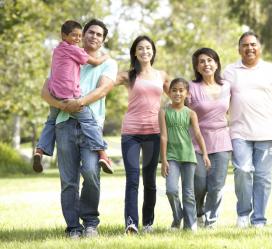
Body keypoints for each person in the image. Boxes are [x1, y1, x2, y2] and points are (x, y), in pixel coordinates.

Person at [41, 19, 117, 238]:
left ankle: (91, 222)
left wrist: (80, 102)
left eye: (99, 34)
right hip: (64, 123)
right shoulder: (65, 53)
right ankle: (73, 227)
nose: (94, 37)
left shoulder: (107, 62)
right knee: (68, 181)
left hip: (91, 123)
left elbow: (103, 89)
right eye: (90, 32)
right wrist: (61, 105)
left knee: (92, 172)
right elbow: (46, 91)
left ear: (103, 39)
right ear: (82, 34)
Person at [223, 31, 272, 228]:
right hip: (239, 131)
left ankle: (259, 219)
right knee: (242, 171)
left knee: (262, 177)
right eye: (245, 45)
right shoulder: (229, 71)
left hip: (267, 133)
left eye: (253, 44)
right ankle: (243, 214)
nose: (249, 48)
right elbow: (221, 99)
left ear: (259, 48)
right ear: (239, 49)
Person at [33, 20, 113, 174]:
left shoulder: (57, 50)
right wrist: (105, 56)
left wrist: (58, 104)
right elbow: (95, 62)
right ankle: (102, 153)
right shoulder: (75, 51)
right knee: (89, 122)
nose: (77, 38)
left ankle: (40, 150)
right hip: (70, 98)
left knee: (49, 122)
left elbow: (103, 89)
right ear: (64, 36)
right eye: (75, 35)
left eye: (78, 35)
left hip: (56, 95)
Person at [115, 35, 170, 234]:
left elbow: (178, 95)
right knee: (132, 179)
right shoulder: (128, 76)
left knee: (150, 180)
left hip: (154, 133)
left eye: (148, 48)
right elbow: (103, 86)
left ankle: (148, 223)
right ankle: (131, 222)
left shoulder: (161, 75)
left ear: (153, 52)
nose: (145, 51)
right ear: (135, 53)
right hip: (131, 133)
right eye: (140, 48)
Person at [187, 48, 232, 228]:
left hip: (222, 140)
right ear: (197, 67)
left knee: (217, 185)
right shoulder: (191, 87)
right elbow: (177, 110)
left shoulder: (227, 86)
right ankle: (198, 212)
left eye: (210, 60)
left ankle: (211, 221)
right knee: (199, 183)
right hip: (197, 141)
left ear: (217, 63)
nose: (206, 64)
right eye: (202, 62)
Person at [159, 78, 211, 231]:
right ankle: (177, 217)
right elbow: (163, 136)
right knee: (171, 190)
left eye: (181, 90)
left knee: (188, 192)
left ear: (187, 93)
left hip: (188, 156)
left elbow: (198, 135)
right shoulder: (163, 112)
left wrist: (205, 154)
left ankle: (190, 225)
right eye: (174, 90)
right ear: (169, 93)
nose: (177, 93)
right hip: (171, 157)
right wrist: (163, 160)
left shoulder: (191, 113)